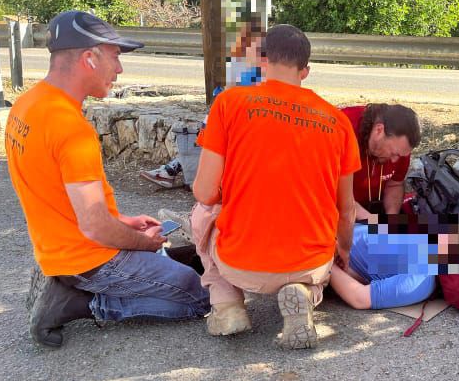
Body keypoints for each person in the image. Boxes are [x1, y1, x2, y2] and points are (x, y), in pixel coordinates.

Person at [5, 10, 210, 348]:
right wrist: (143, 243)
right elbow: (95, 228)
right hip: (90, 258)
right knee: (201, 295)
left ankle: (66, 280)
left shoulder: (27, 105)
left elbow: (57, 194)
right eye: (115, 57)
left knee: (179, 263)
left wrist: (123, 221)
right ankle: (80, 303)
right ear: (89, 58)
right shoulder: (71, 129)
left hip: (57, 247)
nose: (120, 69)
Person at [191, 24, 360, 349]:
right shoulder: (337, 122)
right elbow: (346, 209)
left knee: (201, 214)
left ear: (261, 61)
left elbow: (204, 191)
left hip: (240, 264)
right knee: (312, 270)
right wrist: (344, 249)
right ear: (306, 71)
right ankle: (304, 293)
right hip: (308, 262)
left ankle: (228, 305)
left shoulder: (229, 103)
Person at [140, 18, 266, 189]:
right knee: (206, 138)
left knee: (209, 141)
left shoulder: (258, 69)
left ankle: (174, 172)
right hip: (233, 116)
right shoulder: (245, 65)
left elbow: (238, 95)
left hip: (241, 119)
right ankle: (172, 171)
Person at [329, 215, 459, 310]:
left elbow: (360, 298)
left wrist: (327, 261)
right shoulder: (426, 241)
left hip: (320, 245)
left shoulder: (420, 280)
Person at [341, 104, 421, 219]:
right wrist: (372, 223)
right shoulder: (343, 130)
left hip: (370, 208)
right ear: (379, 130)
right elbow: (332, 194)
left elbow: (395, 184)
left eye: (401, 155)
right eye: (394, 153)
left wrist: (391, 220)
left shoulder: (400, 147)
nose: (395, 160)